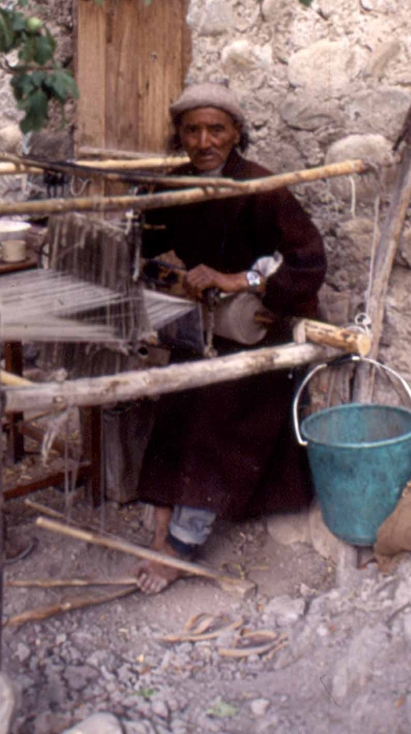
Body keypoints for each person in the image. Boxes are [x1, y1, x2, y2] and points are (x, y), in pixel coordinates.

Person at [136, 83, 326, 593]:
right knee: (174, 398)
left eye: (216, 130)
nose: (204, 142)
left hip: (258, 330)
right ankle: (159, 528)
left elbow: (308, 263)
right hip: (206, 326)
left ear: (236, 132)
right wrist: (164, 275)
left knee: (216, 410)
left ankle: (183, 541)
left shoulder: (264, 189)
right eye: (192, 131)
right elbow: (147, 242)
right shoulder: (174, 187)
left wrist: (238, 280)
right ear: (179, 135)